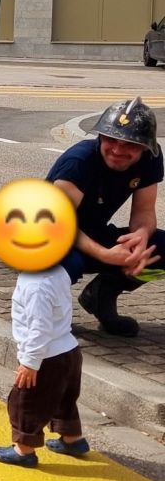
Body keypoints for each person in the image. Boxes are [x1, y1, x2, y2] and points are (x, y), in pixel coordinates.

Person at [46, 97, 164, 337]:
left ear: (145, 147)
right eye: (111, 140)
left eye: (130, 144)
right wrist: (105, 254)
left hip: (92, 232)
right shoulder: (78, 162)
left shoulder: (151, 158)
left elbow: (144, 213)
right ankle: (46, 312)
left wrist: (141, 237)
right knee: (65, 261)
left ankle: (102, 295)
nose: (118, 150)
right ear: (100, 136)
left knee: (160, 248)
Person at [0, 263, 89, 467]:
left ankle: (24, 450)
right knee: (63, 399)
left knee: (25, 402)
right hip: (69, 350)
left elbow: (40, 328)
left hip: (46, 357)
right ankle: (72, 438)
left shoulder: (35, 285)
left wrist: (30, 362)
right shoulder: (59, 271)